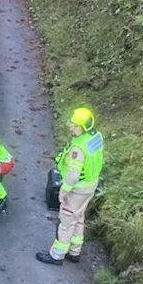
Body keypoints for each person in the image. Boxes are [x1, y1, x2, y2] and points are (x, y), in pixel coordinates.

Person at [38, 107, 104, 264]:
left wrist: (63, 190)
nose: (71, 127)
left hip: (77, 189)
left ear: (82, 127)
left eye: (74, 126)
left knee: (66, 221)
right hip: (90, 185)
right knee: (78, 216)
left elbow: (73, 175)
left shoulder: (78, 149)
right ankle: (74, 251)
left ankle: (57, 255)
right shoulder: (95, 137)